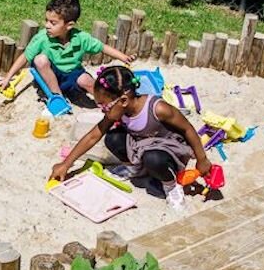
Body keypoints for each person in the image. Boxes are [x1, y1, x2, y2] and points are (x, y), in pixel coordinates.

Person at [49, 65, 212, 209]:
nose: (102, 110)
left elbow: (188, 129)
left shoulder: (159, 108)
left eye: (104, 105)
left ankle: (170, 186)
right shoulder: (119, 109)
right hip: (141, 144)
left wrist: (202, 159)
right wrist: (66, 163)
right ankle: (134, 169)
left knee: (153, 158)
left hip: (167, 150)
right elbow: (94, 135)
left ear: (124, 100)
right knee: (112, 138)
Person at [0, 0, 134, 98]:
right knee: (40, 60)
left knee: (88, 81)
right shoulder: (42, 37)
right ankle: (57, 96)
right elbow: (25, 56)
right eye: (46, 20)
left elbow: (102, 47)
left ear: (69, 25)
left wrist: (123, 57)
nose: (47, 25)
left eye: (53, 23)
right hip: (50, 74)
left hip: (72, 74)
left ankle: (110, 100)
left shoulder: (80, 38)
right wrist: (8, 78)